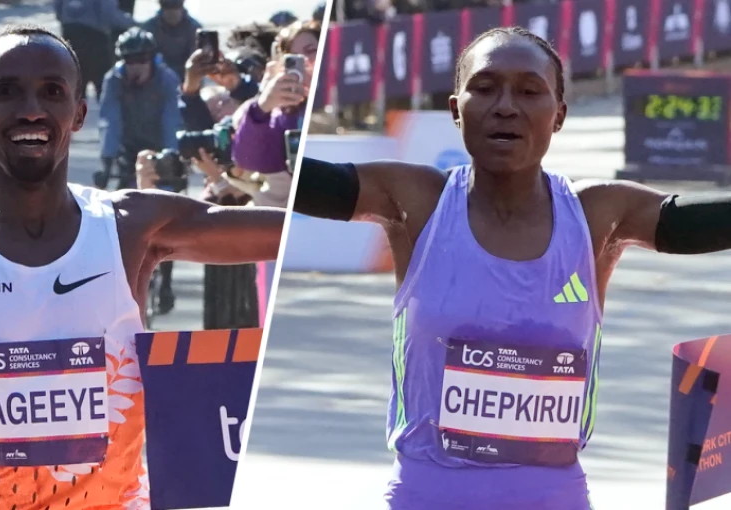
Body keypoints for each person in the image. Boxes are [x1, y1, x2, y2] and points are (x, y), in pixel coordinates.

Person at [0, 24, 283, 510]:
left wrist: (358, 206)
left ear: (79, 113)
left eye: (52, 91)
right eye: (6, 92)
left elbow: (285, 230)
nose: (31, 109)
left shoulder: (130, 227)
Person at [293, 27, 731, 510]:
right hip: (427, 496)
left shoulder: (597, 213)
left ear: (558, 115)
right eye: (484, 88)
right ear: (456, 108)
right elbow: (313, 183)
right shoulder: (416, 200)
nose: (505, 106)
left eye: (529, 91)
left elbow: (695, 222)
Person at [99, 27, 184, 314]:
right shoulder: (114, 80)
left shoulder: (166, 79)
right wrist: (106, 160)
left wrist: (171, 156)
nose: (135, 67)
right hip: (128, 152)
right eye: (129, 61)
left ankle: (167, 282)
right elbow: (109, 119)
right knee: (121, 218)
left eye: (140, 61)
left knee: (169, 224)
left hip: (162, 151)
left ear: (151, 59)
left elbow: (172, 119)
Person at [231, 20, 319, 175]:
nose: (304, 61)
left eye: (311, 50)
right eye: (293, 59)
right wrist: (262, 107)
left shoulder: (335, 97)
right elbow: (250, 160)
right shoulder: (284, 112)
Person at [54, 0, 134, 100]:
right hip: (95, 37)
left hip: (70, 33)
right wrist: (133, 23)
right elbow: (109, 13)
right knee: (104, 85)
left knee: (75, 84)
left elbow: (58, 8)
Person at [140, 0, 202, 81]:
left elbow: (197, 58)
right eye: (167, 6)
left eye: (176, 6)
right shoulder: (149, 28)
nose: (172, 12)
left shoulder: (194, 28)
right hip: (157, 77)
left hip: (186, 75)